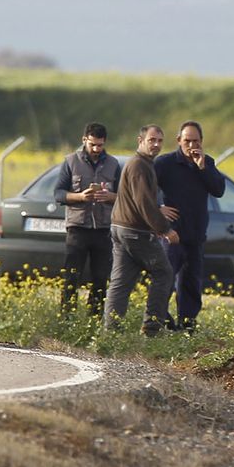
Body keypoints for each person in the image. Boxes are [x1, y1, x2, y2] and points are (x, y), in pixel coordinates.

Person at [104, 124, 180, 336]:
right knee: (164, 273)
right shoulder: (139, 165)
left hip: (121, 228)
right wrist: (165, 229)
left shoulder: (142, 164)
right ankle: (152, 328)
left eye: (159, 141)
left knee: (121, 282)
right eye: (151, 140)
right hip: (134, 231)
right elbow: (144, 203)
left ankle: (111, 333)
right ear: (140, 141)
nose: (156, 145)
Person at [155, 120, 225, 330]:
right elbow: (142, 189)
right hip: (172, 235)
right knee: (165, 282)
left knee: (191, 284)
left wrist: (203, 168)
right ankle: (159, 322)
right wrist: (157, 208)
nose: (192, 145)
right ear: (179, 140)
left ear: (201, 141)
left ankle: (187, 325)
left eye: (196, 141)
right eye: (187, 141)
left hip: (195, 235)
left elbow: (218, 190)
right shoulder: (165, 164)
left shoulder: (206, 163)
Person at [52, 122, 120, 317]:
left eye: (100, 145)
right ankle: (67, 318)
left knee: (100, 278)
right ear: (84, 141)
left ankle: (95, 319)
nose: (96, 149)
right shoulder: (71, 161)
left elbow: (124, 196)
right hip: (78, 228)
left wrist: (110, 197)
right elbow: (58, 194)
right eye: (93, 145)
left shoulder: (113, 164)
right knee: (72, 276)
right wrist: (81, 197)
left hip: (103, 229)